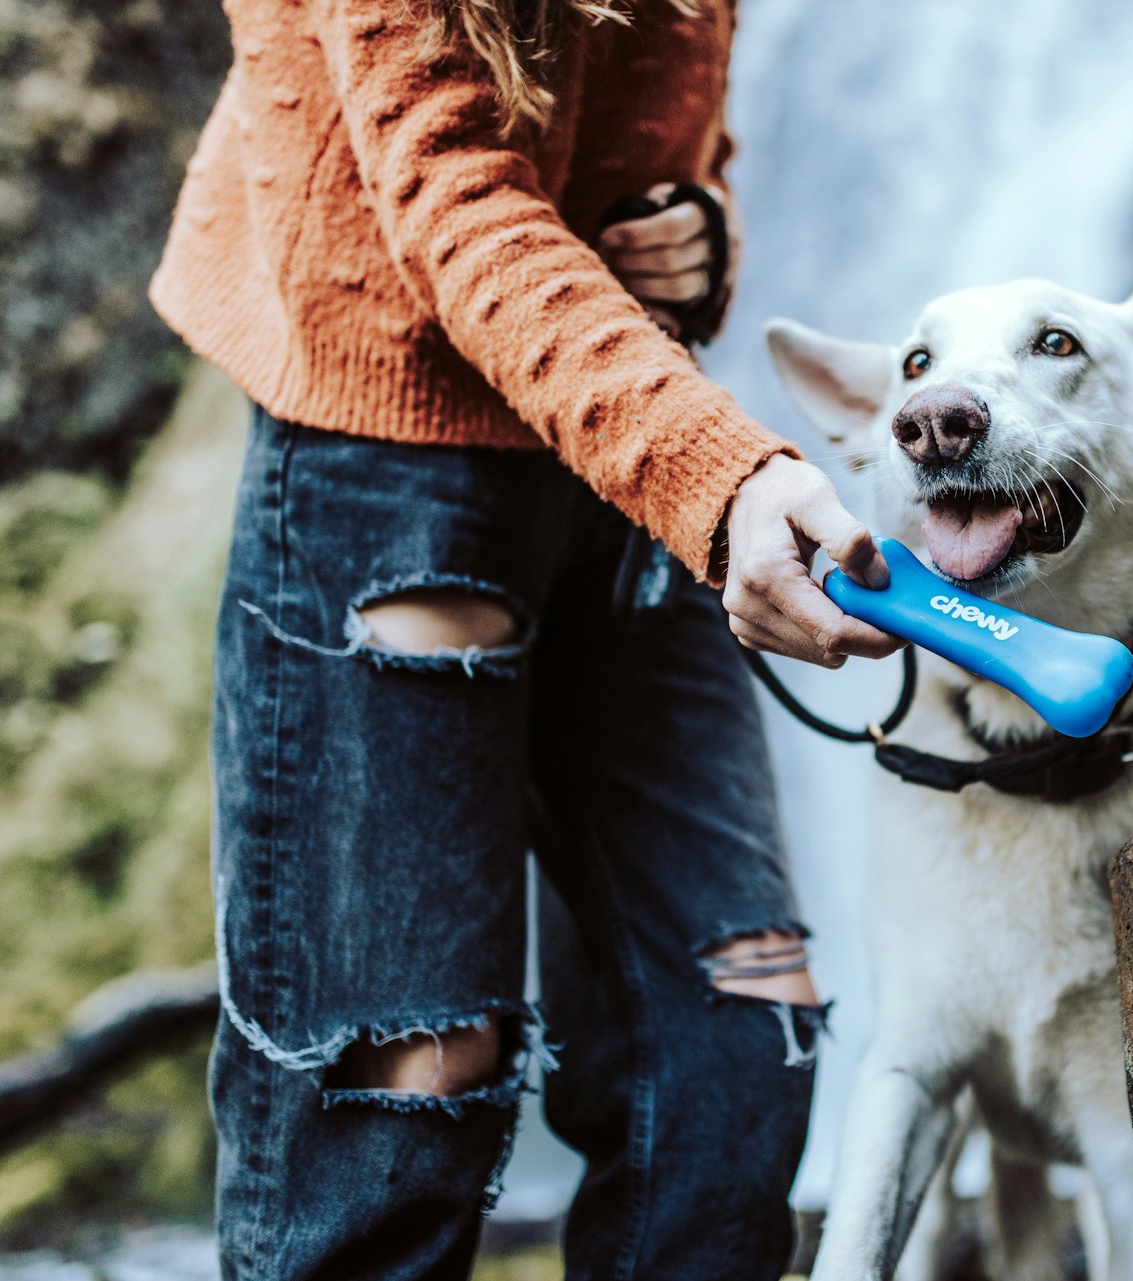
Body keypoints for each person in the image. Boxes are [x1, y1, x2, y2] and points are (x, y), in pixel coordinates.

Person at [149, 0, 901, 1274]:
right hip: (396, 446)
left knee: (742, 1030)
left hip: (629, 442)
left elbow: (660, 102)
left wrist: (697, 223)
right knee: (410, 1077)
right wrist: (719, 478)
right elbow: (449, 180)